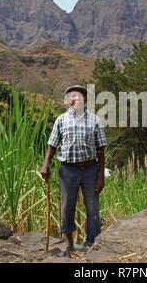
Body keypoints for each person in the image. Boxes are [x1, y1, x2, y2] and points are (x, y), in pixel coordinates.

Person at [40, 85, 107, 257]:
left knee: (92, 206)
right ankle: (68, 240)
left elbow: (101, 150)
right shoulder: (61, 120)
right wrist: (46, 164)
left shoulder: (95, 120)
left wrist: (100, 176)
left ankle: (92, 242)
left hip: (90, 169)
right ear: (69, 100)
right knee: (67, 205)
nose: (76, 99)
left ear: (85, 100)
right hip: (68, 170)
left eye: (79, 96)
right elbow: (52, 145)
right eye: (72, 96)